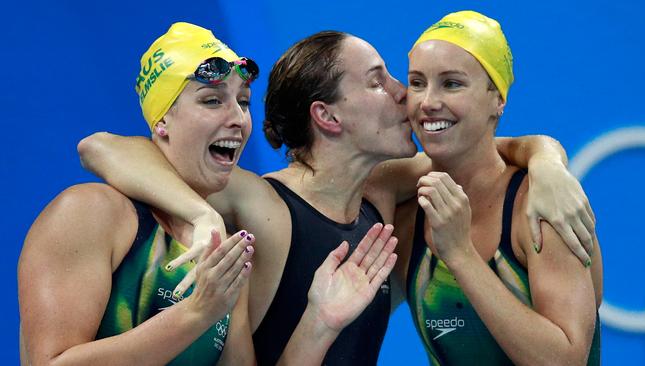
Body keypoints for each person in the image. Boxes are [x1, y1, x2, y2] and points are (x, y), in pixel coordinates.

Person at [77, 31, 595, 365]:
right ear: (328, 116)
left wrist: (548, 158)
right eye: (379, 80)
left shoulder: (385, 191)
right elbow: (103, 147)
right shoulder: (262, 204)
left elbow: (477, 146)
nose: (404, 93)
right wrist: (201, 212)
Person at [18, 23, 397, 366]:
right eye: (212, 100)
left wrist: (319, 322)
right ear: (162, 120)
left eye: (243, 101)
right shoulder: (91, 213)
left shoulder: (226, 251)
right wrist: (197, 313)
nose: (237, 117)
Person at [391, 11, 602, 365]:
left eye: (452, 83)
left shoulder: (542, 206)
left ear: (497, 99)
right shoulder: (406, 214)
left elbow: (566, 360)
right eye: (416, 82)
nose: (427, 101)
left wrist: (460, 255)